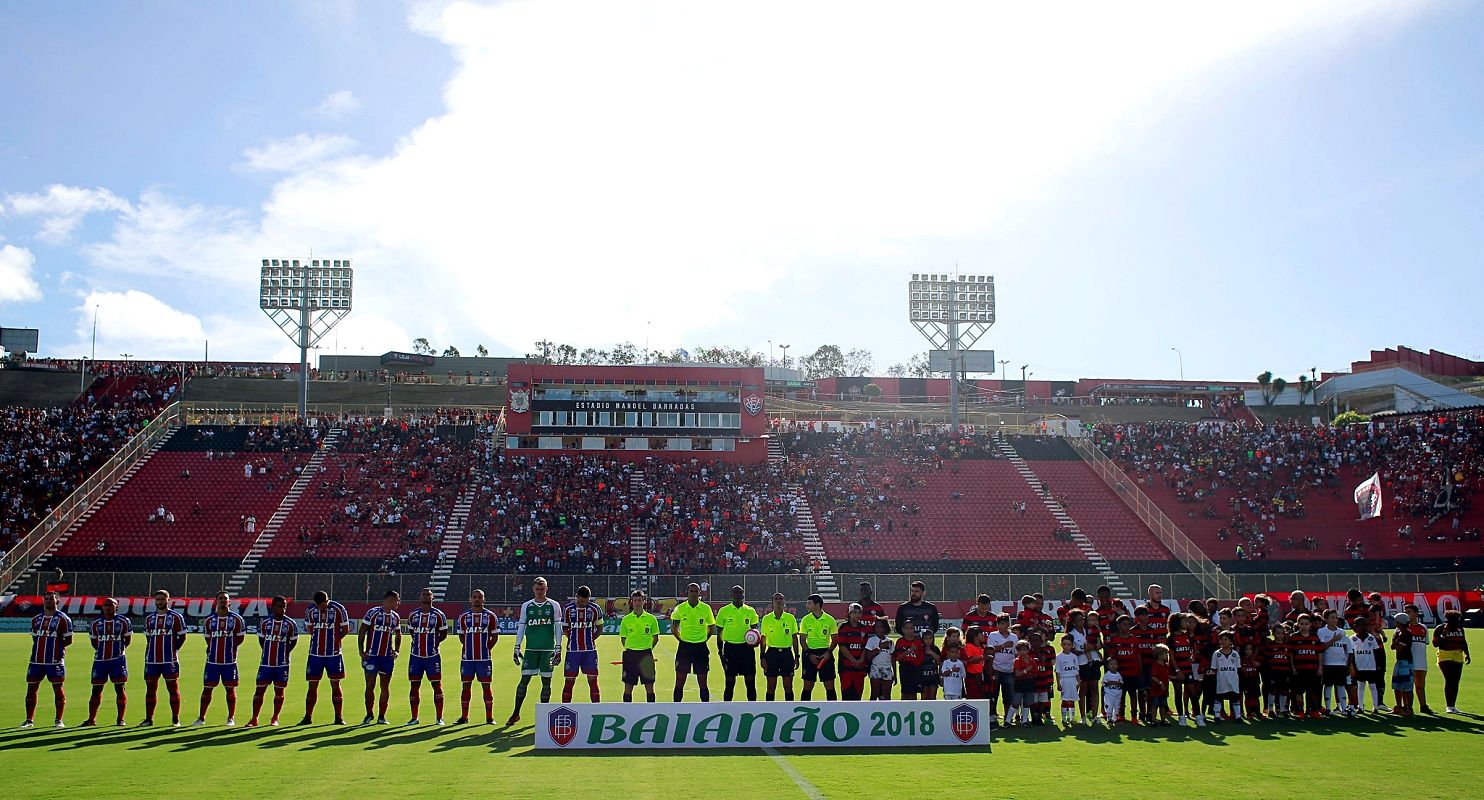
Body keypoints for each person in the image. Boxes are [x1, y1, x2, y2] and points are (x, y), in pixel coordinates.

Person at [508, 577, 562, 725]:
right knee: (523, 681)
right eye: (537, 589)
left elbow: (558, 627)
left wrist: (558, 648)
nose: (539, 591)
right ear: (533, 589)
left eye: (542, 589)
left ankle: (544, 717)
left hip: (548, 650)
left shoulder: (554, 605)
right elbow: (521, 626)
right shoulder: (527, 605)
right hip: (531, 650)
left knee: (546, 683)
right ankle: (516, 713)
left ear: (546, 589)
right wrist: (517, 646)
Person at [194, 591, 245, 727]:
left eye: (225, 599)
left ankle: (231, 718)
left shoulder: (237, 619)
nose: (223, 601)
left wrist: (231, 649)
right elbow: (208, 638)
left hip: (229, 662)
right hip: (212, 662)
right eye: (220, 598)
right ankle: (201, 718)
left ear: (229, 602)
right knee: (207, 689)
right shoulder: (209, 620)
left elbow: (240, 639)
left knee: (230, 690)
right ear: (216, 601)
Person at [301, 590, 351, 725]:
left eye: (324, 605)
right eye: (319, 606)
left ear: (327, 600)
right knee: (312, 686)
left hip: (333, 655)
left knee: (335, 684)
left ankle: (339, 717)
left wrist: (335, 641)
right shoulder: (311, 610)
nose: (322, 608)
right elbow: (310, 630)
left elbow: (345, 629)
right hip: (315, 654)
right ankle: (307, 717)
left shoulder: (339, 609)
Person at [23, 591, 72, 728]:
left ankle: (58, 720)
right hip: (36, 661)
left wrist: (57, 650)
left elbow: (68, 640)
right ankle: (29, 720)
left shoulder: (63, 619)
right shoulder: (36, 619)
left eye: (52, 599)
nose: (49, 601)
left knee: (58, 689)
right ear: (43, 601)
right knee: (31, 689)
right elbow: (35, 638)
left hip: (54, 661)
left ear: (57, 602)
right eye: (46, 599)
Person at [247, 595, 297, 728]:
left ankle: (275, 718)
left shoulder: (290, 623)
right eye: (280, 606)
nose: (283, 609)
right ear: (273, 607)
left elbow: (293, 641)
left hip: (282, 664)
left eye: (285, 606)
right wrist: (267, 652)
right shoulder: (265, 622)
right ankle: (254, 718)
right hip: (266, 664)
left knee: (279, 692)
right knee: (259, 691)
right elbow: (261, 640)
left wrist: (285, 653)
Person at [141, 589, 186, 727]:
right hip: (152, 660)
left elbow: (182, 637)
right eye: (158, 599)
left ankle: (175, 719)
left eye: (162, 599)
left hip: (169, 660)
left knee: (173, 689)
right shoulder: (149, 618)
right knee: (150, 689)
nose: (160, 602)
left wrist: (174, 650)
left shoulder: (176, 617)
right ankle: (149, 719)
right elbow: (149, 638)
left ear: (168, 600)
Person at [84, 597, 131, 727]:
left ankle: (120, 719)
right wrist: (101, 651)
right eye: (106, 605)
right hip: (100, 661)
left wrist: (117, 651)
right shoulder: (96, 623)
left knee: (120, 689)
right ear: (102, 607)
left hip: (118, 661)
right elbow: (94, 642)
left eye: (112, 605)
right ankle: (91, 719)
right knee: (96, 690)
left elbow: (127, 640)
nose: (108, 607)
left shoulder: (123, 621)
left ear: (117, 607)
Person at [455, 589, 499, 724]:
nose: (477, 599)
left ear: (483, 599)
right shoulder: (463, 616)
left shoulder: (490, 616)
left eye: (479, 597)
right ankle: (464, 717)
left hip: (484, 659)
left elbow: (495, 637)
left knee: (486, 687)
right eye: (474, 597)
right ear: (470, 599)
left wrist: (486, 648)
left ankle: (489, 717)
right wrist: (468, 647)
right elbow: (462, 636)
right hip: (467, 659)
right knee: (466, 687)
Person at [358, 590, 402, 725]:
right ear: (389, 600)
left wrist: (397, 650)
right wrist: (361, 651)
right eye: (397, 600)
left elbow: (398, 634)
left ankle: (382, 716)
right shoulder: (373, 613)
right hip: (372, 656)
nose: (398, 602)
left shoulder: (395, 617)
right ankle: (369, 714)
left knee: (385, 686)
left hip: (387, 658)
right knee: (370, 684)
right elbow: (362, 631)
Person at [406, 588, 448, 725]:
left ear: (432, 598)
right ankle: (414, 718)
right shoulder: (413, 614)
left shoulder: (439, 615)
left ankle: (439, 718)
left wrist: (433, 644)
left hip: (432, 657)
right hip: (416, 656)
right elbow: (412, 632)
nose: (426, 596)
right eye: (423, 594)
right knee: (414, 686)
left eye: (428, 594)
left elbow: (443, 634)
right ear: (420, 597)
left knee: (437, 685)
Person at [670, 582, 716, 702]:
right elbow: (674, 628)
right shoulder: (680, 608)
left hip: (701, 648)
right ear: (687, 592)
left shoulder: (706, 608)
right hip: (685, 648)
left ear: (699, 593)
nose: (694, 593)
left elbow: (711, 626)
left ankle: (705, 708)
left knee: (702, 680)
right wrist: (682, 640)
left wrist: (704, 639)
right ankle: (676, 708)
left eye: (696, 591)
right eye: (692, 591)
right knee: (680, 680)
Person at [714, 585, 760, 702]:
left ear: (743, 595)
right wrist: (720, 652)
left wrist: (755, 641)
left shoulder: (750, 611)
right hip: (730, 649)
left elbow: (755, 631)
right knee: (729, 683)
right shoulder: (724, 611)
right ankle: (727, 710)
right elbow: (719, 634)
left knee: (750, 682)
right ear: (731, 595)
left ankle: (752, 709)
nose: (738, 595)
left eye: (740, 593)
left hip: (747, 650)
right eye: (736, 593)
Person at [560, 585, 603, 704]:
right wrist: (573, 639)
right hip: (573, 651)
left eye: (586, 601)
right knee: (569, 682)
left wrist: (590, 639)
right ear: (576, 597)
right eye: (581, 601)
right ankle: (566, 709)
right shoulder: (568, 609)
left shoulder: (595, 609)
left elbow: (600, 628)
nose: (584, 603)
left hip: (590, 652)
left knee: (593, 681)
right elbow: (565, 629)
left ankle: (596, 709)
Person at [619, 590, 661, 703]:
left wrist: (647, 648)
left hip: (646, 655)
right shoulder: (626, 619)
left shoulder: (651, 619)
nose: (637, 603)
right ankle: (627, 712)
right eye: (635, 600)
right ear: (631, 602)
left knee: (649, 687)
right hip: (630, 655)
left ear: (644, 601)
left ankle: (651, 711)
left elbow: (655, 638)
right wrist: (632, 647)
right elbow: (623, 639)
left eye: (639, 600)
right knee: (628, 687)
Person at [759, 592, 799, 701]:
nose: (778, 601)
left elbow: (794, 638)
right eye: (776, 599)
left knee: (788, 686)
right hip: (772, 654)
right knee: (771, 687)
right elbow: (763, 639)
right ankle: (769, 711)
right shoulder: (766, 619)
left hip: (787, 654)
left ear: (784, 601)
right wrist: (762, 657)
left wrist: (797, 656)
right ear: (772, 602)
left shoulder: (790, 618)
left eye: (780, 599)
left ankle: (789, 711)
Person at [798, 594, 838, 701]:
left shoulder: (830, 620)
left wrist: (828, 652)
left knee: (829, 686)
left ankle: (832, 712)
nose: (807, 605)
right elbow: (802, 640)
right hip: (810, 653)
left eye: (809, 603)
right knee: (807, 686)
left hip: (826, 653)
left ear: (817, 605)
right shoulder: (805, 620)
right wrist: (809, 654)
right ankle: (804, 710)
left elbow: (835, 639)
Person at [1433, 609, 1471, 713]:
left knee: (1455, 681)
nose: (1457, 621)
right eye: (1454, 619)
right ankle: (1449, 706)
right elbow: (1435, 643)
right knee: (1450, 680)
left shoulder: (1460, 628)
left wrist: (1467, 654)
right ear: (1448, 619)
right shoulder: (1440, 628)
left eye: (1458, 619)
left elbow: (1464, 641)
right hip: (1445, 655)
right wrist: (1443, 635)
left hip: (1458, 655)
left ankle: (1452, 706)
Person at [1316, 609, 1353, 716]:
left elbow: (1346, 647)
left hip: (1340, 663)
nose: (1335, 620)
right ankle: (1328, 708)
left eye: (1336, 617)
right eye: (1332, 617)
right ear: (1326, 619)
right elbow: (1322, 647)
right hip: (1328, 663)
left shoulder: (1341, 631)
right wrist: (1334, 639)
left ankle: (1343, 708)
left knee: (1341, 686)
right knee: (1328, 686)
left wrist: (1347, 663)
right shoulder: (1322, 631)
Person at [835, 603, 873, 701]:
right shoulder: (844, 627)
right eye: (854, 612)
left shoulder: (863, 628)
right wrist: (853, 660)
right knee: (846, 695)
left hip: (860, 668)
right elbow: (842, 646)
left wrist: (861, 660)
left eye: (859, 612)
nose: (857, 615)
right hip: (846, 668)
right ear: (849, 614)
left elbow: (865, 647)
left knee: (858, 696)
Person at [1107, 615, 1140, 723]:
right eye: (1124, 624)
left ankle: (1134, 716)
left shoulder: (1134, 639)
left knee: (1133, 695)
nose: (1126, 626)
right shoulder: (1115, 639)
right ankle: (1121, 715)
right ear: (1118, 625)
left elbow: (1138, 655)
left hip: (1133, 672)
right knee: (1120, 695)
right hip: (1120, 673)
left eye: (1128, 624)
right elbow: (1112, 657)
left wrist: (1140, 669)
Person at [1350, 616, 1384, 714]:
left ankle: (1375, 707)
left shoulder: (1371, 638)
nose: (1363, 627)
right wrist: (1353, 668)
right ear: (1355, 627)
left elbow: (1377, 652)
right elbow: (1351, 654)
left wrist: (1378, 666)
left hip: (1371, 667)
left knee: (1373, 686)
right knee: (1360, 686)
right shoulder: (1353, 638)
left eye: (1364, 625)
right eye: (1360, 625)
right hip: (1359, 667)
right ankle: (1360, 707)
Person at [987, 614, 1018, 720]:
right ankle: (992, 716)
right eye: (999, 623)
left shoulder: (1014, 637)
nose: (1001, 626)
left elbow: (1016, 653)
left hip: (1009, 670)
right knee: (993, 694)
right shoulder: (993, 635)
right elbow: (989, 650)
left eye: (1004, 623)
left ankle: (1007, 718)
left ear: (1008, 624)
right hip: (995, 669)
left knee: (1008, 695)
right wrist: (1003, 646)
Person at [1403, 603, 1432, 713]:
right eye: (1405, 612)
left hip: (1421, 662)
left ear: (1416, 613)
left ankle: (1423, 706)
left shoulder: (1423, 627)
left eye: (1409, 612)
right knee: (1408, 686)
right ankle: (1407, 707)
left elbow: (1425, 643)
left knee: (1420, 685)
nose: (1407, 614)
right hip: (1409, 661)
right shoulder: (1403, 628)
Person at [1260, 624, 1293, 719]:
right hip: (1273, 672)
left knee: (1284, 691)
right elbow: (1266, 658)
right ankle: (1271, 710)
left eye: (1282, 633)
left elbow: (1289, 658)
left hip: (1285, 671)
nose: (1280, 635)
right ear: (1273, 634)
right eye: (1278, 633)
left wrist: (1292, 668)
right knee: (1272, 691)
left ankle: (1282, 710)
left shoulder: (1287, 646)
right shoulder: (1271, 645)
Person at [893, 618, 927, 701]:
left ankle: (913, 710)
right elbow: (897, 657)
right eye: (907, 628)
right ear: (903, 630)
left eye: (911, 628)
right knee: (905, 692)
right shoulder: (900, 641)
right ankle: (903, 709)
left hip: (915, 669)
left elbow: (921, 658)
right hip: (904, 668)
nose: (909, 630)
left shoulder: (918, 642)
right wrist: (909, 651)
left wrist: (916, 666)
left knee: (914, 692)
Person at [1211, 633, 1242, 720]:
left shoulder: (1235, 654)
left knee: (1235, 698)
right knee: (1219, 698)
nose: (1223, 641)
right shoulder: (1216, 654)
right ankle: (1217, 716)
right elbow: (1214, 668)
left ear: (1231, 642)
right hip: (1221, 680)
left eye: (1226, 639)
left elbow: (1238, 668)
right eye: (1221, 639)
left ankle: (1238, 716)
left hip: (1233, 680)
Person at [1390, 612, 1414, 716]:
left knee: (1407, 686)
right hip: (1399, 661)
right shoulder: (1398, 633)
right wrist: (1396, 644)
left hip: (1406, 662)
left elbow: (1399, 647)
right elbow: (1393, 646)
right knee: (1396, 685)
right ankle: (1399, 707)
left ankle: (1408, 708)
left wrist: (1396, 644)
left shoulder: (1407, 634)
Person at [865, 618, 895, 701]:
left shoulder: (890, 641)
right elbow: (868, 657)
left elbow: (893, 658)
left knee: (887, 695)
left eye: (881, 627)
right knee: (874, 693)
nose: (879, 629)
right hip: (876, 668)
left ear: (886, 628)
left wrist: (895, 674)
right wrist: (879, 647)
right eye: (877, 627)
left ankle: (886, 712)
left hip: (887, 668)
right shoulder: (871, 640)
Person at [1055, 634, 1081, 727]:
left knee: (1072, 699)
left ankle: (1072, 717)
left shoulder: (1074, 656)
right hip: (1064, 680)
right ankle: (1064, 717)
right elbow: (1057, 671)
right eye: (1064, 644)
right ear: (1061, 644)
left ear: (1072, 645)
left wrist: (1078, 681)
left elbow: (1077, 670)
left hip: (1073, 680)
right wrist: (1058, 683)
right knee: (1065, 700)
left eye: (1068, 644)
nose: (1066, 646)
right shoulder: (1059, 657)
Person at [1011, 639, 1035, 725]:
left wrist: (1030, 675)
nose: (1022, 652)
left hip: (1029, 683)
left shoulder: (1031, 660)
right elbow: (1017, 674)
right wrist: (1026, 670)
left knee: (1027, 703)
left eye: (1024, 649)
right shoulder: (1017, 661)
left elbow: (1035, 672)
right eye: (1020, 650)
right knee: (1016, 702)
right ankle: (1007, 720)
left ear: (1028, 650)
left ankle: (1024, 720)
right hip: (1019, 683)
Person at [1149, 643, 1173, 726]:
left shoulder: (1166, 665)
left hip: (1164, 689)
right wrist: (1159, 683)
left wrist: (1175, 677)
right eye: (1165, 654)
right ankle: (1153, 719)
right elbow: (1153, 676)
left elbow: (1167, 675)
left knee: (1163, 705)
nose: (1167, 655)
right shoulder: (1156, 665)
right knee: (1155, 705)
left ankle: (1163, 719)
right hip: (1156, 689)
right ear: (1159, 655)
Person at [1101, 657, 1125, 726]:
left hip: (1117, 694)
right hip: (1109, 694)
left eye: (1115, 664)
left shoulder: (1118, 674)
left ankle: (1115, 718)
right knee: (1109, 706)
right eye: (1111, 664)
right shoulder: (1107, 674)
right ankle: (1109, 718)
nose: (1113, 666)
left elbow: (1121, 682)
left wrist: (1119, 683)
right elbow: (1104, 683)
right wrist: (1110, 682)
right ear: (1108, 666)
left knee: (1116, 706)